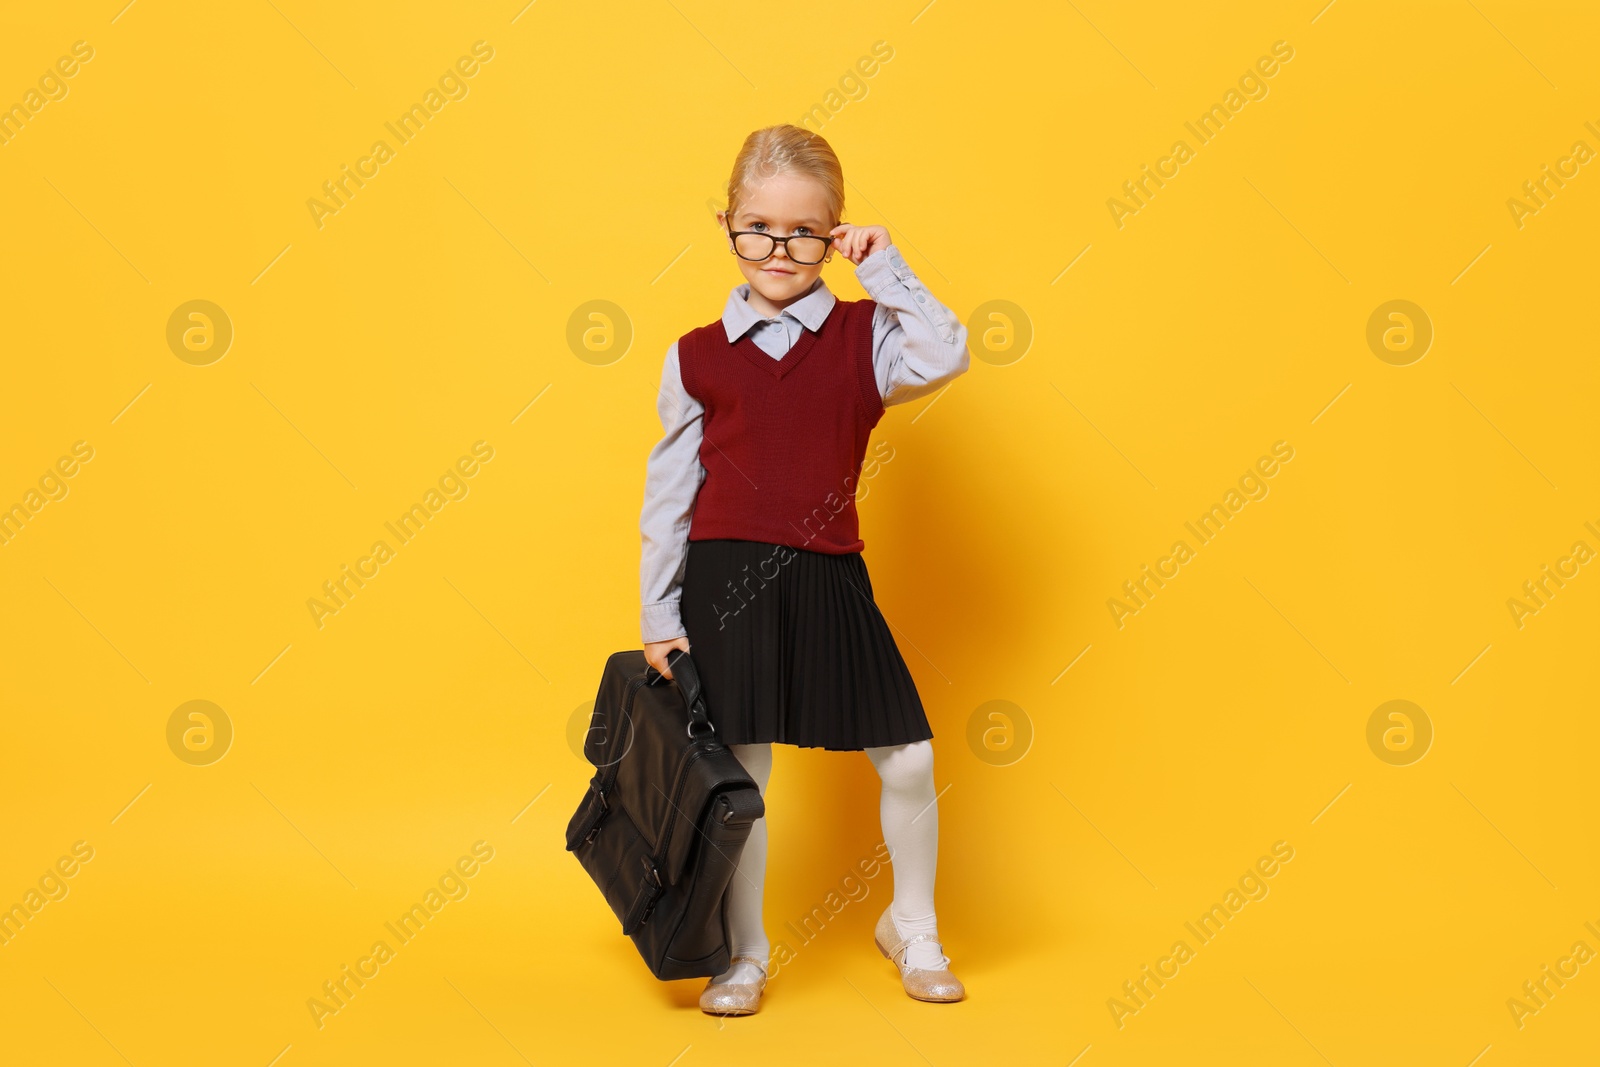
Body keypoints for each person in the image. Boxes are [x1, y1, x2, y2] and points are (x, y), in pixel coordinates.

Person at [639, 124, 970, 1015]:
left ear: (836, 233)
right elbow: (668, 492)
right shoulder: (695, 353)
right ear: (726, 223)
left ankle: (912, 924)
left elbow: (947, 351)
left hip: (830, 573)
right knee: (739, 776)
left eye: (803, 232)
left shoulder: (869, 334)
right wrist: (658, 617)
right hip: (723, 582)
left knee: (906, 755)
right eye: (756, 228)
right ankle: (744, 953)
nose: (778, 250)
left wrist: (886, 265)